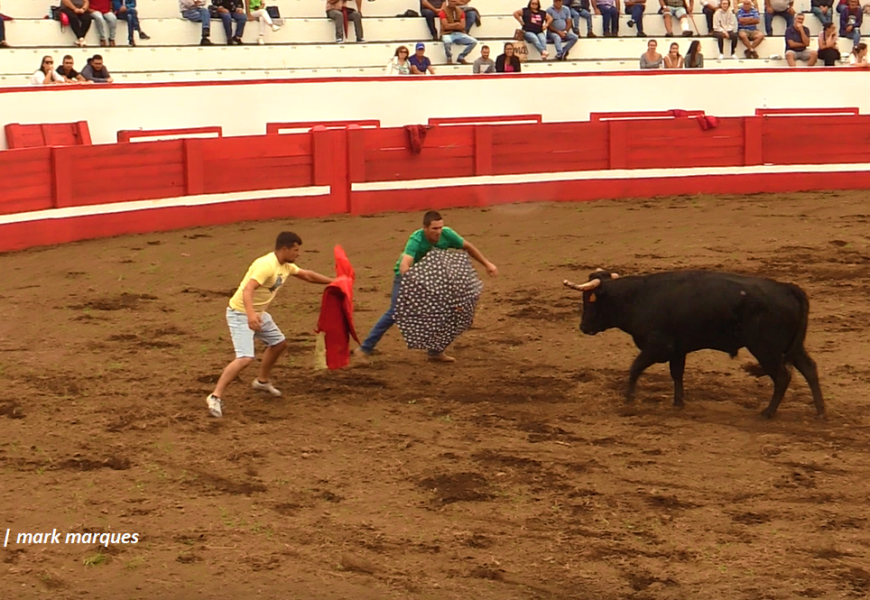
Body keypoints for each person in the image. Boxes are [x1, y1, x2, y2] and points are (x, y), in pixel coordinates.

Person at [206, 231, 334, 418]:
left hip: (258, 314)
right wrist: (250, 315)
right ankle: (214, 396)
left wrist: (335, 282)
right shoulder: (266, 265)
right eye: (295, 250)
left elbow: (308, 275)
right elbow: (248, 289)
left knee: (279, 344)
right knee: (245, 358)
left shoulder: (286, 265)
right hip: (240, 314)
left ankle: (262, 381)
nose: (298, 254)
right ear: (284, 249)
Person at [352, 211, 498, 364]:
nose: (438, 232)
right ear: (425, 228)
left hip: (432, 278)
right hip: (407, 277)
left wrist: (487, 264)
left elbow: (468, 247)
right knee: (395, 312)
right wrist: (413, 284)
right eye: (434, 229)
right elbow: (404, 264)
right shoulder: (416, 239)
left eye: (440, 227)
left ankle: (435, 351)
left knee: (451, 310)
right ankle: (364, 349)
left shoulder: (447, 234)